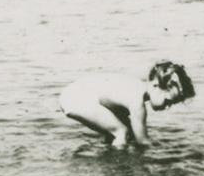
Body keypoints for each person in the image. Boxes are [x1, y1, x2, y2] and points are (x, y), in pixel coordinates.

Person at [58, 62, 195, 149]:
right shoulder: (137, 101)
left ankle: (111, 160)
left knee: (123, 131)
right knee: (121, 132)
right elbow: (143, 142)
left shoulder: (137, 86)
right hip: (77, 98)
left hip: (76, 93)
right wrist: (166, 153)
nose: (167, 107)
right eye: (167, 101)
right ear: (155, 85)